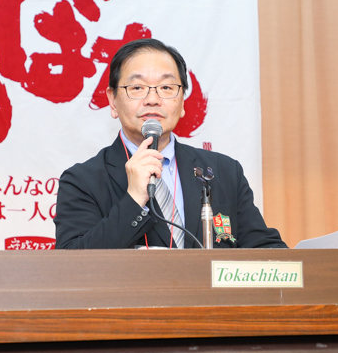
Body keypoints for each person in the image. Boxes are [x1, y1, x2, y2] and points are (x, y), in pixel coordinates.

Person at [54, 38, 287, 249]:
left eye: (166, 88)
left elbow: (265, 249)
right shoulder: (82, 181)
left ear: (182, 101)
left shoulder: (224, 171)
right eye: (137, 88)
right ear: (113, 101)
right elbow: (73, 264)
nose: (152, 99)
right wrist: (134, 200)